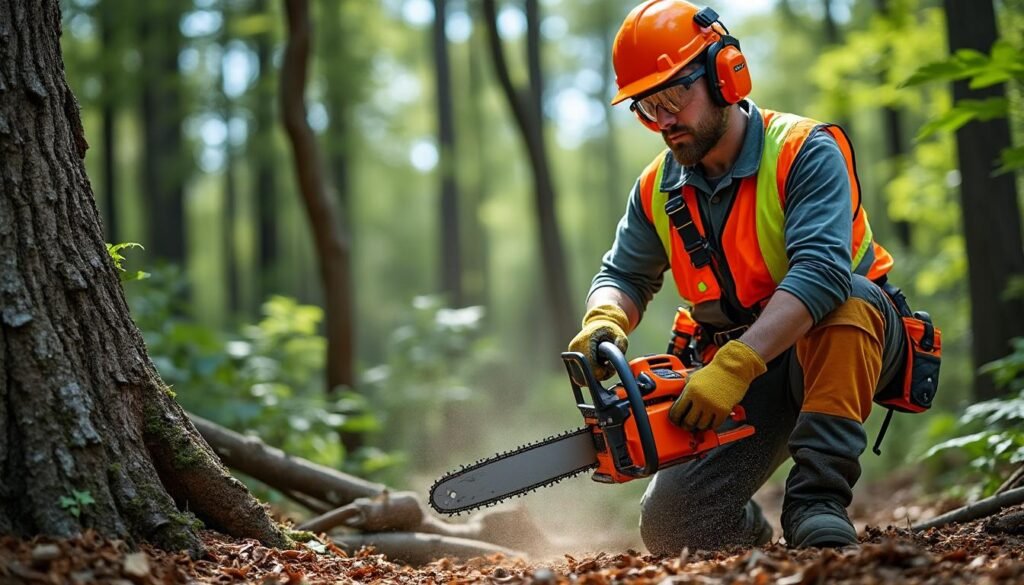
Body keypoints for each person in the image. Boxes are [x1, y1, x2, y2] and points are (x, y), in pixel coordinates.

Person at [568, 0, 911, 551]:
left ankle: (816, 502)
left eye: (674, 95)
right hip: (751, 368)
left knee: (846, 300)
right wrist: (605, 314)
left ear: (725, 72)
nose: (664, 120)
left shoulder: (804, 150)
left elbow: (822, 274)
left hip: (847, 340)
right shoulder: (657, 187)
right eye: (646, 107)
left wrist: (737, 363)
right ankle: (751, 538)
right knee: (673, 524)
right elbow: (624, 273)